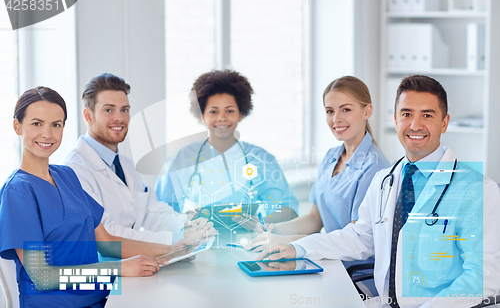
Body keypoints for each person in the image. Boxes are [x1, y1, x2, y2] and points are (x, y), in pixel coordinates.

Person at [257, 75, 500, 308]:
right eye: (407, 114)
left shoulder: (478, 190)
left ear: (444, 122)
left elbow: (484, 275)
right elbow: (359, 237)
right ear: (395, 120)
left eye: (427, 115)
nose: (415, 124)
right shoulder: (384, 180)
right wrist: (299, 248)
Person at [0, 87, 198, 308]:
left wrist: (172, 250)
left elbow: (107, 242)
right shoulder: (18, 192)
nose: (47, 134)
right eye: (37, 123)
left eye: (56, 125)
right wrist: (119, 268)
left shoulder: (66, 176)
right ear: (17, 126)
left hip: (99, 296)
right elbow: (42, 276)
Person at [61, 73, 216, 245]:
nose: (119, 118)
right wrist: (175, 239)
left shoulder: (125, 164)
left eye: (124, 110)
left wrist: (187, 227)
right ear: (88, 116)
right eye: (108, 110)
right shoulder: (75, 169)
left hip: (136, 262)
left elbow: (152, 212)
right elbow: (107, 234)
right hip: (105, 266)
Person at [246, 76, 390, 252]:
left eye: (345, 110)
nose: (336, 119)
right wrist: (272, 229)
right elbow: (315, 218)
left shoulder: (375, 168)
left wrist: (287, 241)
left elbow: (355, 240)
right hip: (324, 256)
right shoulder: (331, 157)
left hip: (350, 268)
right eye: (330, 111)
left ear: (367, 111)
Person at [155, 70, 299, 228]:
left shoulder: (261, 159)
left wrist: (261, 222)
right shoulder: (181, 159)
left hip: (250, 244)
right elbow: (160, 212)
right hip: (197, 244)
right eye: (213, 111)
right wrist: (186, 222)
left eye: (230, 111)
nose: (222, 118)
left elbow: (288, 210)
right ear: (201, 115)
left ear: (240, 114)